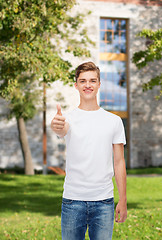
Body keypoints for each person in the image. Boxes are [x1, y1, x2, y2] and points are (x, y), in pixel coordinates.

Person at [51, 61, 127, 240]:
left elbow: (119, 162)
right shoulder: (67, 118)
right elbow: (61, 130)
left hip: (103, 202)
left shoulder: (113, 121)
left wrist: (122, 199)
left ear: (99, 84)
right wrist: (56, 126)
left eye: (92, 80)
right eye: (83, 81)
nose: (88, 85)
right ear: (76, 85)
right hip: (72, 201)